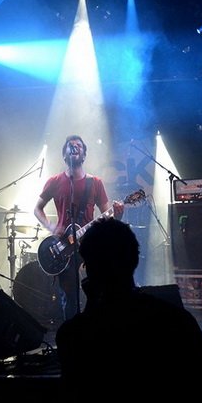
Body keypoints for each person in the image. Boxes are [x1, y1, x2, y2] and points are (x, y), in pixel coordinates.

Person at [55, 218, 202, 403]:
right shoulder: (176, 321)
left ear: (88, 270)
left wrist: (92, 303)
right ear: (135, 260)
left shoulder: (72, 335)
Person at [34, 134, 123, 321]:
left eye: (78, 146)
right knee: (69, 299)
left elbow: (107, 215)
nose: (74, 147)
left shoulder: (95, 183)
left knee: (97, 292)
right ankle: (73, 334)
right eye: (70, 146)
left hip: (90, 245)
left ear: (84, 155)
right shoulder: (54, 181)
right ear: (64, 154)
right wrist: (52, 227)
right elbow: (37, 209)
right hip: (64, 248)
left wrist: (118, 215)